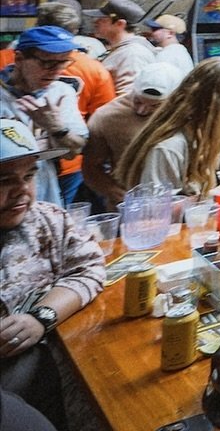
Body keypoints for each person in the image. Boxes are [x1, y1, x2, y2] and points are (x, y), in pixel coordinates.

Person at [0, 120, 105, 430]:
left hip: (68, 382)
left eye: (29, 175)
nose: (22, 191)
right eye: (5, 180)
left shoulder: (48, 219)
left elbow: (89, 268)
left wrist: (41, 317)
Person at [113, 58, 220, 196]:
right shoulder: (169, 147)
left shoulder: (196, 133)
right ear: (212, 103)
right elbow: (157, 210)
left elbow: (188, 188)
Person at [0, 27, 87, 206]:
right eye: (48, 63)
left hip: (44, 193)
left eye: (64, 62)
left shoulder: (62, 92)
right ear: (19, 59)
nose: (56, 71)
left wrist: (55, 127)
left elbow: (74, 151)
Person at [81, 62, 184, 206]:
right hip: (131, 206)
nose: (142, 110)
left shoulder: (183, 115)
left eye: (155, 106)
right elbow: (90, 167)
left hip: (178, 200)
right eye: (137, 101)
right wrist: (113, 191)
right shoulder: (107, 117)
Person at [83, 0, 156, 95]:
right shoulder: (122, 49)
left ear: (120, 24)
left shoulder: (133, 54)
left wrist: (100, 111)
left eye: (102, 19)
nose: (95, 22)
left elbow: (126, 98)